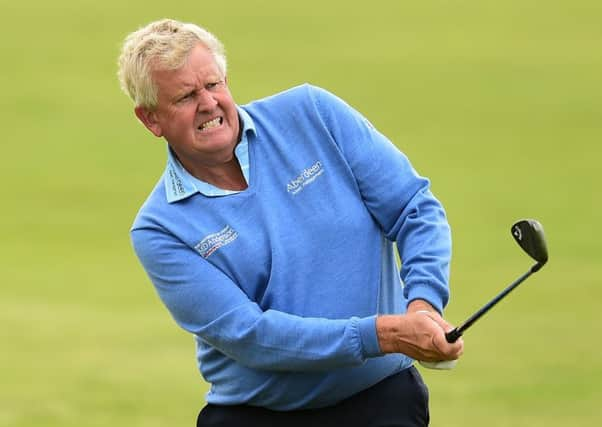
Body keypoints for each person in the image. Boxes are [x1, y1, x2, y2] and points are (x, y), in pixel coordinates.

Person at [117, 18, 464, 427]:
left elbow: (413, 208)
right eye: (185, 97)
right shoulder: (160, 228)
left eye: (213, 85)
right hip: (256, 417)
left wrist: (422, 304)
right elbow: (252, 336)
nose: (208, 104)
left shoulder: (313, 114)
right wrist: (385, 334)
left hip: (382, 404)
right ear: (151, 120)